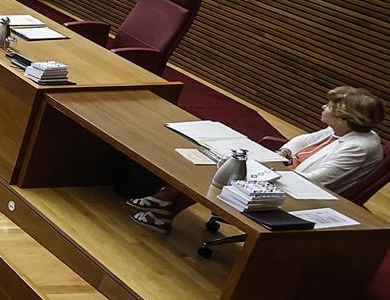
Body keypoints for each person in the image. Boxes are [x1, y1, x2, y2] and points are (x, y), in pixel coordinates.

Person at [129, 86, 385, 232]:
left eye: (328, 108)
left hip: (299, 192)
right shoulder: (341, 128)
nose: (323, 108)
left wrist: (268, 169)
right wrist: (284, 153)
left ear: (343, 117)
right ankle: (164, 201)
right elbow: (302, 141)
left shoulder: (361, 146)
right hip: (284, 172)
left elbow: (316, 180)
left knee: (224, 169)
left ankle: (163, 210)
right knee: (215, 159)